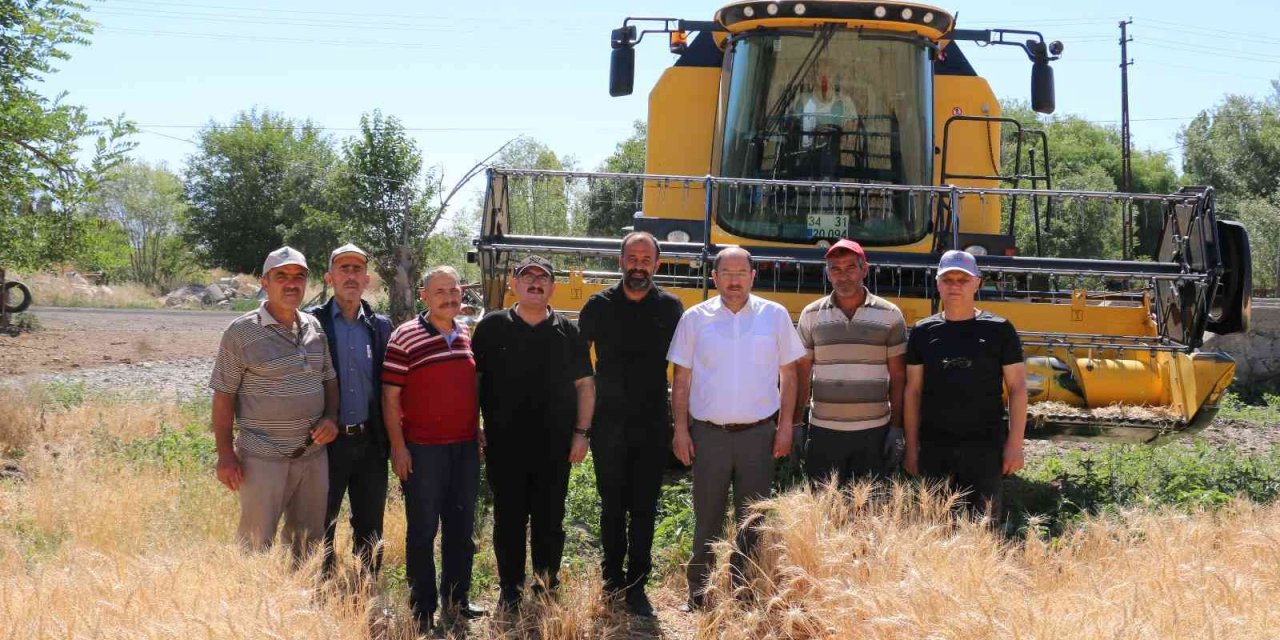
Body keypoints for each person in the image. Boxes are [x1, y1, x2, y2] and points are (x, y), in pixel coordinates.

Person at [667, 246, 806, 612]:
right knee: (707, 516)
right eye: (726, 272)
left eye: (741, 272)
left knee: (753, 518)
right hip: (708, 435)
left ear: (752, 276)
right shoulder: (695, 319)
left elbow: (789, 375)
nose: (733, 280)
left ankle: (743, 594)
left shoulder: (774, 316)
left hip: (759, 435)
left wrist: (786, 427)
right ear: (714, 277)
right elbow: (681, 380)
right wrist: (680, 430)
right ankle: (700, 593)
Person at [471, 255, 595, 612]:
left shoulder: (568, 331)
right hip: (503, 444)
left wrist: (582, 433)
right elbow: (473, 382)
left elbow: (585, 386)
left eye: (543, 278)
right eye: (528, 277)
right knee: (508, 519)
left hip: (554, 446)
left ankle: (545, 585)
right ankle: (509, 588)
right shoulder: (492, 327)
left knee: (550, 520)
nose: (536, 283)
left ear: (553, 288)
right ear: (515, 284)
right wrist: (473, 424)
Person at [577, 231, 684, 617]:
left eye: (646, 259)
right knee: (611, 506)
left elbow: (688, 364)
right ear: (620, 261)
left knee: (643, 506)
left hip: (653, 423)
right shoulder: (598, 305)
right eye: (632, 258)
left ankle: (638, 585)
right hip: (608, 424)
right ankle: (611, 579)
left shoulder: (671, 308)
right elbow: (576, 361)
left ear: (656, 265)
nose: (639, 265)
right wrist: (581, 419)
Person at [209, 246, 338, 558]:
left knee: (307, 544)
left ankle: (298, 602)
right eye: (281, 276)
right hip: (262, 459)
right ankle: (251, 604)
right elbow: (223, 396)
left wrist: (331, 418)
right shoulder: (241, 332)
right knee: (255, 547)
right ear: (264, 282)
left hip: (312, 456)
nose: (291, 283)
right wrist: (226, 455)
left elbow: (329, 380)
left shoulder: (313, 326)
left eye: (299, 277)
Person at [382, 266, 487, 631]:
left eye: (454, 289)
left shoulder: (466, 332)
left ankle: (457, 600)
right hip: (423, 450)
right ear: (424, 297)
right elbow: (390, 397)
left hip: (463, 449)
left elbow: (468, 387)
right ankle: (422, 608)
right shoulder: (405, 336)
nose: (449, 297)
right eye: (440, 291)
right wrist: (399, 447)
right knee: (423, 531)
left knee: (460, 529)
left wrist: (476, 427)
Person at [903, 250, 1028, 519]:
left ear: (978, 283)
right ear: (937, 283)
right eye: (948, 279)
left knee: (983, 528)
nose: (955, 286)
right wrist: (912, 447)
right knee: (934, 525)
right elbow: (912, 392)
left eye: (963, 279)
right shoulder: (923, 332)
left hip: (984, 448)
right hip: (935, 447)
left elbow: (1018, 388)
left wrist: (1015, 444)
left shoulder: (1000, 330)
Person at [304, 243, 392, 578]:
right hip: (326, 442)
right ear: (330, 277)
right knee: (321, 521)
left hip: (370, 441)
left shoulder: (380, 326)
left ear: (367, 279)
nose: (351, 275)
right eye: (344, 268)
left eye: (357, 269)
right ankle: (321, 588)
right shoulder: (311, 323)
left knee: (370, 522)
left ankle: (366, 588)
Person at [795, 239, 907, 487]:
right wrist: (797, 424)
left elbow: (899, 377)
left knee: (870, 514)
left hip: (874, 433)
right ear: (827, 273)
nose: (843, 276)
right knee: (824, 512)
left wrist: (897, 429)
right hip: (824, 433)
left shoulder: (890, 315)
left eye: (850, 268)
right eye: (835, 269)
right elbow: (802, 374)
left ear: (864, 269)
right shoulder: (811, 315)